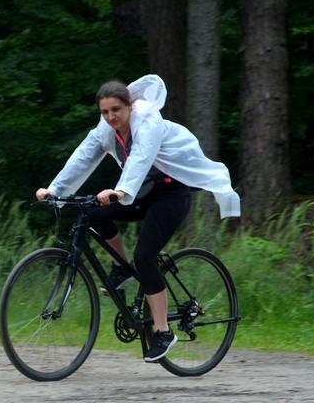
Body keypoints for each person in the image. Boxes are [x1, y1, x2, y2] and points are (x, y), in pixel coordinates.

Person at [36, 74, 240, 362]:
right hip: (143, 192)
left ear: (130, 106)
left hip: (171, 194)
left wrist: (121, 191)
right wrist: (54, 189)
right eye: (104, 112)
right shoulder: (107, 129)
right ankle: (121, 268)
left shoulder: (148, 121)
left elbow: (142, 158)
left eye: (116, 110)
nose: (110, 117)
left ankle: (163, 331)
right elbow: (83, 156)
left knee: (144, 257)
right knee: (93, 214)